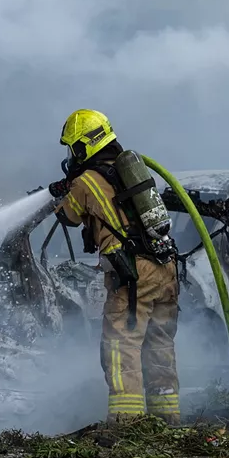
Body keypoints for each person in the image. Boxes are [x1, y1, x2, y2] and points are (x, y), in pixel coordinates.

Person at [46, 109, 181, 425]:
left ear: (85, 146)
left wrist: (64, 190)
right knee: (160, 344)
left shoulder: (86, 182)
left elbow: (67, 216)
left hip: (134, 274)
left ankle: (125, 422)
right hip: (165, 267)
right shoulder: (127, 172)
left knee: (122, 345)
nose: (71, 155)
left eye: (73, 148)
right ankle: (167, 418)